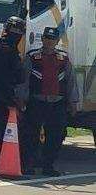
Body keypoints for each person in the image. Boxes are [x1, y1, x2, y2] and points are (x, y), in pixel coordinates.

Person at [18, 27, 79, 177]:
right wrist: (21, 98)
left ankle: (48, 166)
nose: (49, 42)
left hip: (57, 103)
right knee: (30, 136)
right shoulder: (32, 57)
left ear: (57, 41)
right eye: (47, 38)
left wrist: (73, 102)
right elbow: (24, 80)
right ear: (43, 39)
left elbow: (71, 81)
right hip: (36, 102)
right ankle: (28, 165)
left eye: (52, 39)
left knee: (55, 136)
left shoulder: (63, 58)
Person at [0, 16, 26, 175]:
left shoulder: (0, 47)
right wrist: (10, 99)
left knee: (0, 128)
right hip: (3, 94)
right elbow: (4, 77)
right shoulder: (5, 50)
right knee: (0, 129)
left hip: (0, 92)